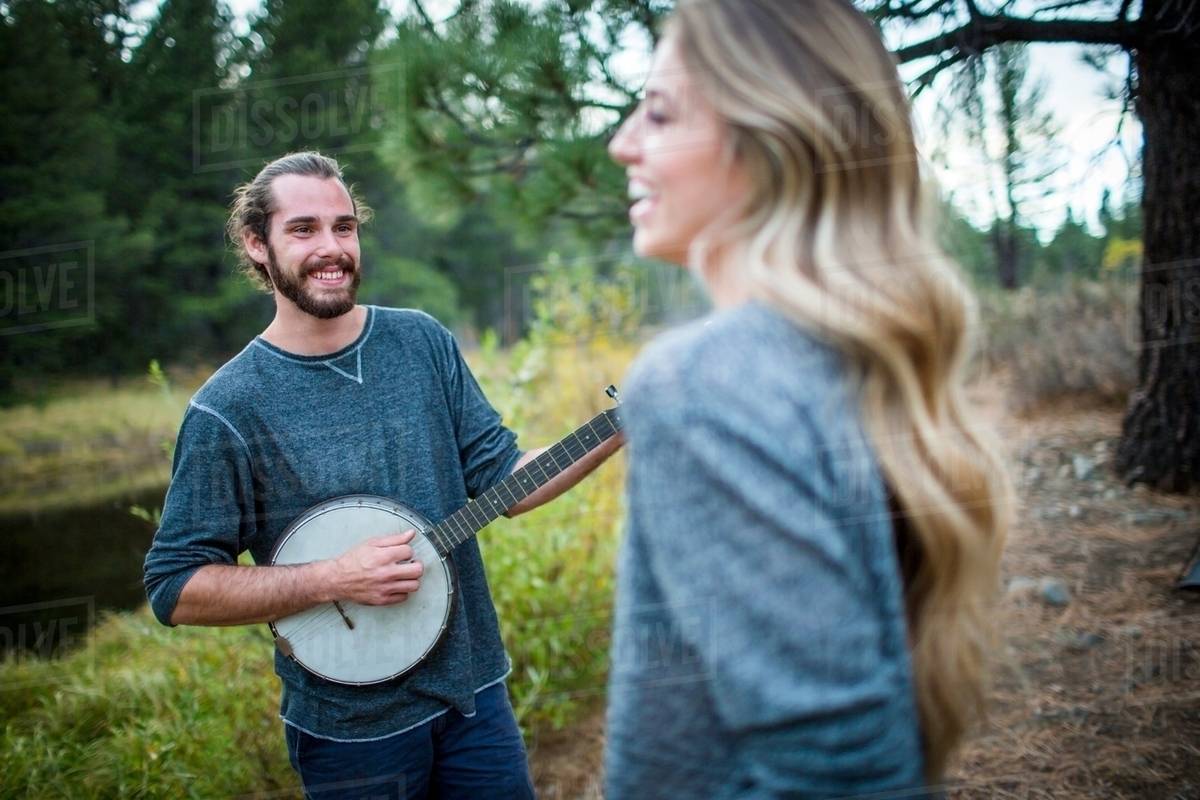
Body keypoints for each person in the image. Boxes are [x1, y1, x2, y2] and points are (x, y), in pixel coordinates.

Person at [603, 1, 1010, 797]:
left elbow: (842, 771)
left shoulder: (706, 382)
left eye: (658, 111)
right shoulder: (851, 358)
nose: (622, 142)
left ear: (769, 132)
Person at [143, 151, 620, 800]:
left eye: (344, 226)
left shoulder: (421, 344)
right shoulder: (229, 408)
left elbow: (506, 479)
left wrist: (617, 427)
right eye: (304, 229)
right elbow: (175, 585)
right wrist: (331, 579)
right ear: (257, 246)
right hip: (353, 736)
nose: (331, 247)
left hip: (475, 699)